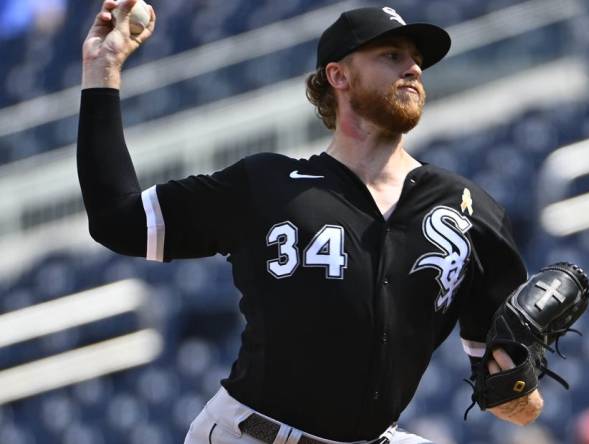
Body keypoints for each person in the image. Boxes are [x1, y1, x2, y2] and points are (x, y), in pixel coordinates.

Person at [78, 1, 544, 443]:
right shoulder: (266, 185)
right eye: (391, 54)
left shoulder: (468, 210)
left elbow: (511, 399)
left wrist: (519, 390)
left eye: (417, 59)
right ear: (338, 75)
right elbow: (118, 220)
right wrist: (103, 72)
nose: (414, 68)